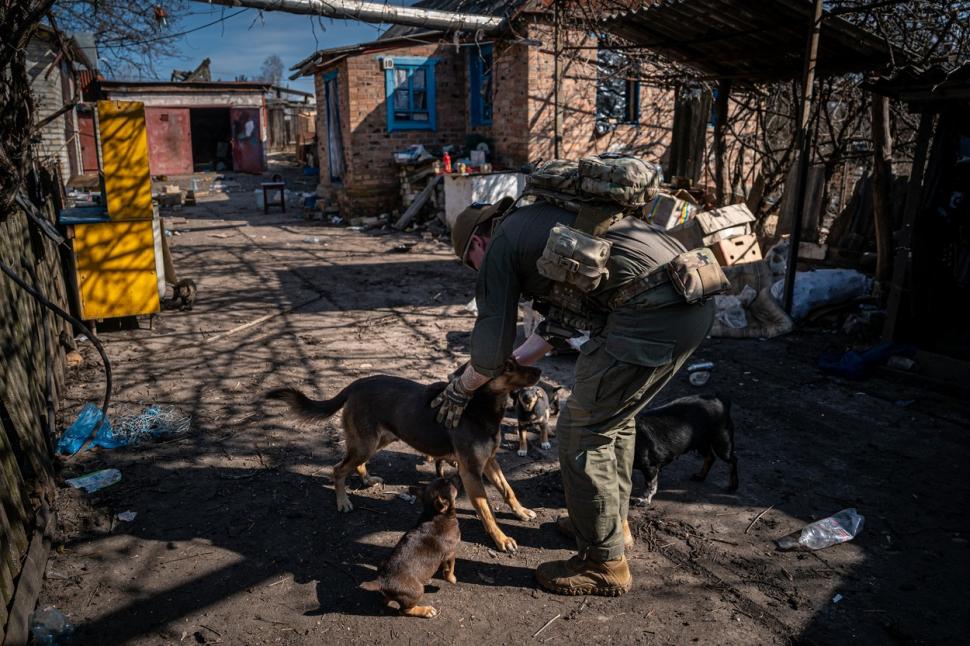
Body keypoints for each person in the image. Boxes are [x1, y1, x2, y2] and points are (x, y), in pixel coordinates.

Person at [431, 196, 715, 597]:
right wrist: (512, 364)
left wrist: (461, 387)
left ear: (477, 243)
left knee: (582, 430)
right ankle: (608, 526)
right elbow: (556, 326)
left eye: (471, 263)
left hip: (650, 314)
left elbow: (490, 349)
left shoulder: (501, 245)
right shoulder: (545, 223)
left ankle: (603, 564)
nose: (477, 270)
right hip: (692, 297)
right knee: (614, 420)